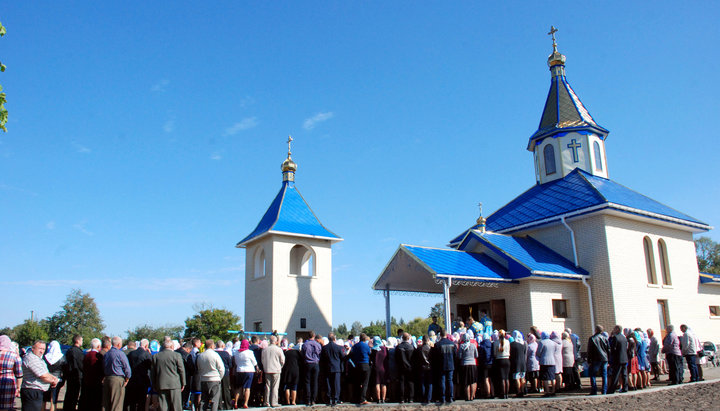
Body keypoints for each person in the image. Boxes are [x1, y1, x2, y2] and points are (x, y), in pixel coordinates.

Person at [21, 340, 59, 411]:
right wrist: (53, 381)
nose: (41, 351)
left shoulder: (39, 359)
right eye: (40, 348)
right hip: (31, 391)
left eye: (43, 349)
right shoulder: (31, 358)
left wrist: (54, 378)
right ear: (33, 348)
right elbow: (43, 376)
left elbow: (46, 373)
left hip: (37, 392)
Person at [151, 337, 186, 411]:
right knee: (176, 406)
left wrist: (154, 384)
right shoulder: (177, 355)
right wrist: (183, 383)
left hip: (161, 384)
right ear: (172, 346)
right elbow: (181, 370)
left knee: (163, 406)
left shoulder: (156, 356)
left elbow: (153, 372)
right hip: (175, 384)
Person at [103, 336, 132, 411]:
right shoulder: (120, 354)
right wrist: (127, 378)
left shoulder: (106, 354)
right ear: (119, 344)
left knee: (106, 404)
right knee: (117, 404)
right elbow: (127, 369)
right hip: (117, 379)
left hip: (107, 378)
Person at [196, 339, 224, 411]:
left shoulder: (200, 356)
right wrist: (219, 377)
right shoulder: (215, 355)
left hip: (203, 379)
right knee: (214, 400)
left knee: (203, 400)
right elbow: (221, 368)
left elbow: (199, 368)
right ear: (212, 346)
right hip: (214, 379)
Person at [126, 339, 152, 411]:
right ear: (146, 346)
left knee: (132, 403)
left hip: (132, 381)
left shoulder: (131, 354)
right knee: (141, 402)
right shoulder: (146, 354)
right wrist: (149, 354)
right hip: (143, 381)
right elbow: (151, 366)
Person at [78, 338, 103, 411]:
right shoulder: (98, 356)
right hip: (96, 383)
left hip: (86, 381)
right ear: (98, 346)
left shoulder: (86, 355)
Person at [0, 335, 23, 411]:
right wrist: (18, 388)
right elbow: (19, 374)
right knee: (7, 406)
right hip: (8, 383)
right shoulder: (14, 355)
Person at [321, 333, 344, 406]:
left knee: (328, 384)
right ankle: (336, 398)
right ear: (334, 339)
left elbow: (322, 358)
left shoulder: (325, 348)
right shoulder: (339, 347)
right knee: (336, 384)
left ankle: (329, 398)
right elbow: (343, 357)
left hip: (328, 367)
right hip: (337, 367)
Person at [233, 340, 257, 409]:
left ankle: (236, 402)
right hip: (249, 371)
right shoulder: (250, 352)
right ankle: (245, 403)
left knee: (238, 388)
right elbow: (254, 362)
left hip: (239, 370)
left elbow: (236, 362)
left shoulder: (236, 352)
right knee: (247, 388)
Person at [261, 336, 284, 407]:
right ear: (276, 341)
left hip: (267, 369)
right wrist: (280, 367)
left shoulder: (264, 350)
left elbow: (262, 360)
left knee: (268, 386)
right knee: (275, 386)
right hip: (276, 369)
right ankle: (274, 402)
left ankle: (266, 402)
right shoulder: (279, 349)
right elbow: (282, 360)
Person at [587, 325, 609, 395]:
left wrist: (589, 360)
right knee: (604, 375)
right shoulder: (605, 338)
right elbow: (608, 349)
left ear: (596, 330)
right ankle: (604, 390)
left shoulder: (592, 338)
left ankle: (594, 390)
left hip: (595, 358)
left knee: (593, 374)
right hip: (604, 358)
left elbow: (589, 350)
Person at [434, 329, 455, 404]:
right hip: (450, 365)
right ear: (446, 334)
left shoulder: (437, 344)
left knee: (442, 381)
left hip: (441, 365)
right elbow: (455, 355)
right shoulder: (452, 344)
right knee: (450, 381)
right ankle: (450, 397)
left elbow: (435, 357)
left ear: (440, 335)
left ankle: (442, 398)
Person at [63, 334, 83, 411]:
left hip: (69, 375)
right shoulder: (78, 351)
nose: (82, 342)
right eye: (81, 340)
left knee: (69, 394)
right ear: (77, 341)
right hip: (76, 375)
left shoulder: (69, 350)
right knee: (74, 395)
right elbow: (80, 364)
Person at [349, 333, 371, 404]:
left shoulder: (355, 346)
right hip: (365, 364)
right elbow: (369, 354)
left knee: (357, 382)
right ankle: (363, 398)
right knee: (365, 383)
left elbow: (351, 354)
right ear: (365, 339)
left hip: (357, 365)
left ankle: (356, 398)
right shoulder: (366, 346)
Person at [301, 331, 321, 406]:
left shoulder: (305, 344)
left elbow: (302, 354)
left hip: (308, 363)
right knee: (315, 382)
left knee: (307, 382)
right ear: (314, 336)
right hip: (315, 363)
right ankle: (313, 399)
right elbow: (319, 353)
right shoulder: (318, 344)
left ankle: (308, 399)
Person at [457, 332, 478, 401]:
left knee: (466, 382)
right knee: (473, 381)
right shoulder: (473, 345)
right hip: (472, 364)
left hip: (464, 364)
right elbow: (476, 355)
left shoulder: (461, 346)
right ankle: (472, 396)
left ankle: (467, 397)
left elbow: (459, 356)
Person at [607, 326, 628, 394]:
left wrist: (611, 355)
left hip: (618, 358)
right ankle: (625, 388)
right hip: (624, 358)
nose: (613, 330)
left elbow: (613, 348)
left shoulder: (616, 337)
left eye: (614, 329)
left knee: (616, 374)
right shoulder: (624, 337)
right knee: (624, 374)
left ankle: (612, 389)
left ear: (618, 329)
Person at [395, 332, 414, 404]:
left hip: (401, 367)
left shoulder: (398, 347)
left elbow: (396, 358)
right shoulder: (411, 347)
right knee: (410, 382)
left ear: (402, 338)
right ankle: (410, 398)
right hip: (410, 367)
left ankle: (402, 398)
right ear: (408, 338)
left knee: (401, 382)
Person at [536, 332, 556, 397]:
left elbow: (538, 352)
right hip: (552, 361)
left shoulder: (542, 342)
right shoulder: (553, 342)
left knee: (545, 377)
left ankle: (547, 391)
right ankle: (553, 390)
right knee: (552, 377)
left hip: (544, 361)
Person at [492, 329, 510, 399]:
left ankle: (502, 393)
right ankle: (507, 393)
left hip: (499, 359)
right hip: (507, 359)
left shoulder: (496, 342)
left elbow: (495, 353)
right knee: (507, 378)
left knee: (502, 378)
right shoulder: (508, 342)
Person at [369, 336, 388, 404]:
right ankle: (383, 398)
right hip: (384, 368)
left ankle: (378, 399)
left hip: (376, 368)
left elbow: (371, 359)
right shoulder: (384, 349)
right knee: (383, 383)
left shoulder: (373, 350)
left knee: (377, 383)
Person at [214, 341, 233, 410]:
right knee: (226, 389)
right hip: (225, 373)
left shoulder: (214, 353)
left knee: (218, 390)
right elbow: (230, 364)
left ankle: (219, 406)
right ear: (222, 346)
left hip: (216, 374)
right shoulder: (226, 354)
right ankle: (228, 405)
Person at [509, 330, 526, 398]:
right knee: (522, 377)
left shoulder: (512, 344)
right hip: (523, 362)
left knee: (516, 377)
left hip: (516, 362)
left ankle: (518, 391)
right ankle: (522, 390)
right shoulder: (523, 344)